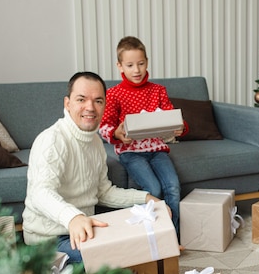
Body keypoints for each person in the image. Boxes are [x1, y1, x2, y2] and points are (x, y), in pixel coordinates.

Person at [22, 71, 163, 264]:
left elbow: (103, 192)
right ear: (67, 103)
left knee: (137, 245)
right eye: (81, 99)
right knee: (120, 259)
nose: (90, 107)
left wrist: (145, 198)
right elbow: (40, 193)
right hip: (48, 240)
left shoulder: (95, 143)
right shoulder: (53, 140)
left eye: (98, 101)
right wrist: (73, 218)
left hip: (84, 230)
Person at [99, 36, 187, 237]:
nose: (136, 70)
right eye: (130, 65)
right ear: (120, 66)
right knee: (153, 190)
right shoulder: (114, 94)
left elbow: (171, 115)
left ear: (147, 61)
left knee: (172, 186)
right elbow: (104, 126)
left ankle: (173, 236)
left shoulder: (158, 90)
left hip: (157, 151)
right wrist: (117, 134)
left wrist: (180, 127)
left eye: (141, 64)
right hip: (131, 152)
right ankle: (154, 235)